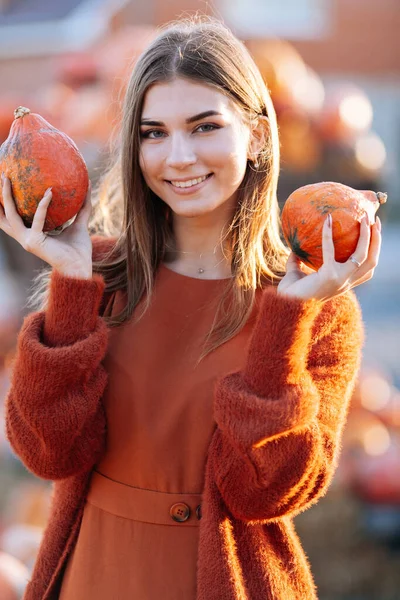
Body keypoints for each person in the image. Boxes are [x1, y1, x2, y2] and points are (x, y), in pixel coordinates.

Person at [0, 16, 380, 600]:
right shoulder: (97, 275)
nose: (177, 157)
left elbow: (268, 492)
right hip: (92, 574)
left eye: (204, 127)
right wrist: (72, 279)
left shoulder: (318, 309)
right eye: (153, 133)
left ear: (256, 134)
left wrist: (286, 318)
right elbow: (48, 450)